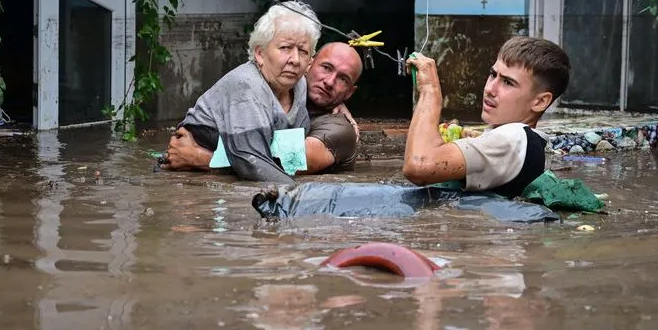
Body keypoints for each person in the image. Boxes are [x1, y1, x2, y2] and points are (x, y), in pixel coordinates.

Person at [168, 0, 321, 185]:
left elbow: (284, 161)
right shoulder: (247, 85)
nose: (295, 60)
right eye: (285, 48)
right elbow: (251, 163)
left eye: (303, 51)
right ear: (259, 53)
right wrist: (304, 197)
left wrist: (201, 158)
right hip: (190, 180)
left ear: (310, 62)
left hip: (216, 168)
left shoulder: (300, 86)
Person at [400, 36, 571, 196]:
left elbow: (418, 165)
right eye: (493, 74)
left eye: (508, 82)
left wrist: (430, 90)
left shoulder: (513, 137)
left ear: (540, 102)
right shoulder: (531, 142)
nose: (490, 89)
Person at [162, 41, 364, 175]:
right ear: (308, 64)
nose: (329, 81)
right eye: (326, 68)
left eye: (342, 79)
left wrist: (199, 158)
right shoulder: (278, 92)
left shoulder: (340, 129)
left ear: (349, 92)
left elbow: (286, 164)